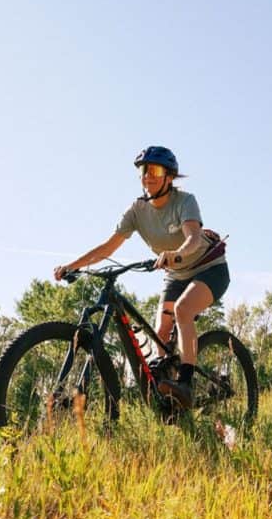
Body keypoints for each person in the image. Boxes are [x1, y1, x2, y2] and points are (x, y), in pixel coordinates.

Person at [53, 146, 229, 408]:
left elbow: (192, 238)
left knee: (182, 311)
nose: (148, 176)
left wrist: (176, 253)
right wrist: (72, 265)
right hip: (175, 274)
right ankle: (169, 398)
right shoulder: (137, 210)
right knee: (159, 332)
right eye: (144, 170)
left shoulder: (185, 201)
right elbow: (107, 248)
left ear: (169, 177)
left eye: (155, 170)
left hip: (208, 268)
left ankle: (186, 383)